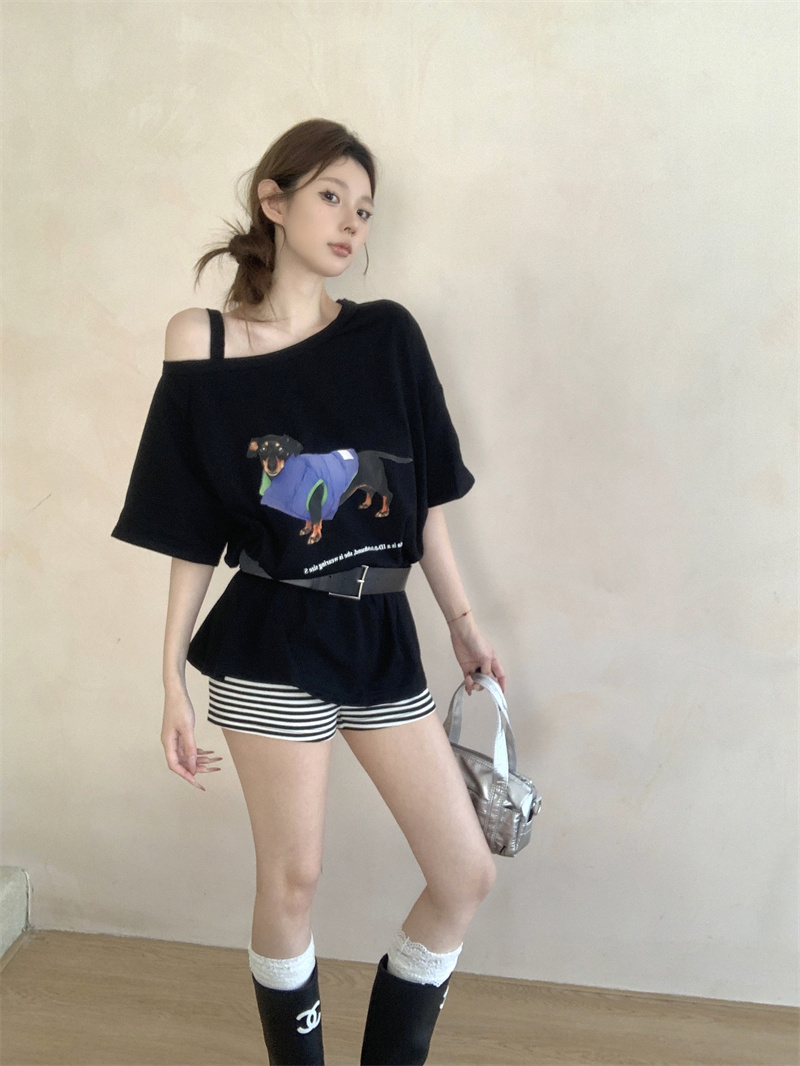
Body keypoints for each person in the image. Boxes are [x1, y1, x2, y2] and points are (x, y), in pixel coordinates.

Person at [111, 117, 506, 1066]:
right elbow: (187, 526)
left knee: (464, 873)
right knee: (293, 880)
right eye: (332, 197)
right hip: (270, 636)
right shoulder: (202, 342)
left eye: (364, 210)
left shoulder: (387, 336)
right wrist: (169, 678)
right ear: (275, 201)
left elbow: (422, 500)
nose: (351, 223)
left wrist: (461, 621)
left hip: (379, 633)